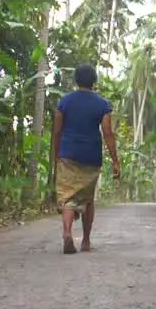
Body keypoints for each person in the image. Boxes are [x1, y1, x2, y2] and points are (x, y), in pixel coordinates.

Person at [51, 63, 120, 254]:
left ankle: (67, 233)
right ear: (94, 81)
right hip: (91, 156)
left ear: (76, 80)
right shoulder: (102, 104)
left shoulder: (64, 102)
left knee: (67, 196)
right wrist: (115, 160)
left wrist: (57, 154)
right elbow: (108, 133)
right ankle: (86, 241)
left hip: (68, 154)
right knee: (88, 199)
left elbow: (57, 131)